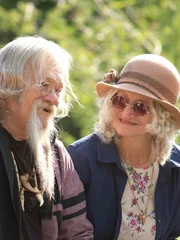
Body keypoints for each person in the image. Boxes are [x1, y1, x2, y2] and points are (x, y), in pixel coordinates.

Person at [67, 54, 180, 240]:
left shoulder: (176, 167)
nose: (127, 113)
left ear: (162, 116)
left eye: (140, 107)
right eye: (120, 100)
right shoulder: (80, 159)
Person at [0, 36, 93, 240]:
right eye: (44, 85)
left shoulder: (57, 155)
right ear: (6, 82)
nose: (54, 99)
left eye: (58, 90)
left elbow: (77, 233)